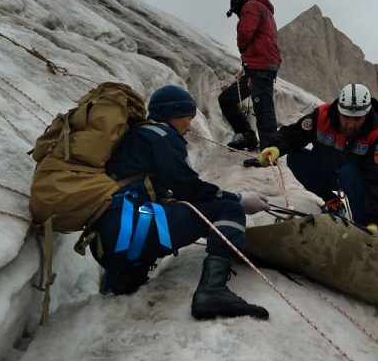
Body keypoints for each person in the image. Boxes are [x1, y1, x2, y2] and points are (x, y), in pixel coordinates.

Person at [90, 85, 270, 320]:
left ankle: (127, 280)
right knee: (227, 210)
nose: (189, 125)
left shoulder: (138, 135)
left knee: (165, 210)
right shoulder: (162, 136)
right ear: (173, 114)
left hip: (111, 240)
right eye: (188, 118)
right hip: (134, 229)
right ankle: (213, 291)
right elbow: (189, 188)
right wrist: (238, 198)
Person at [257, 83, 378, 230]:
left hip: (355, 181)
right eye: (346, 117)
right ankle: (331, 201)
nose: (350, 124)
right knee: (295, 158)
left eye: (357, 119)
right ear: (339, 111)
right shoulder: (322, 117)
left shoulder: (376, 135)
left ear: (366, 116)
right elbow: (295, 134)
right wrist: (275, 147)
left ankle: (363, 227)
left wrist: (373, 220)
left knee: (348, 172)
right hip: (326, 171)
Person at [219, 0, 281, 163]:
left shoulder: (251, 7)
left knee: (263, 109)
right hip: (257, 68)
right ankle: (248, 137)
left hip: (260, 68)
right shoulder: (265, 11)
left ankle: (268, 155)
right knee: (227, 99)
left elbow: (246, 32)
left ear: (238, 5)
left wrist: (242, 48)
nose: (239, 16)